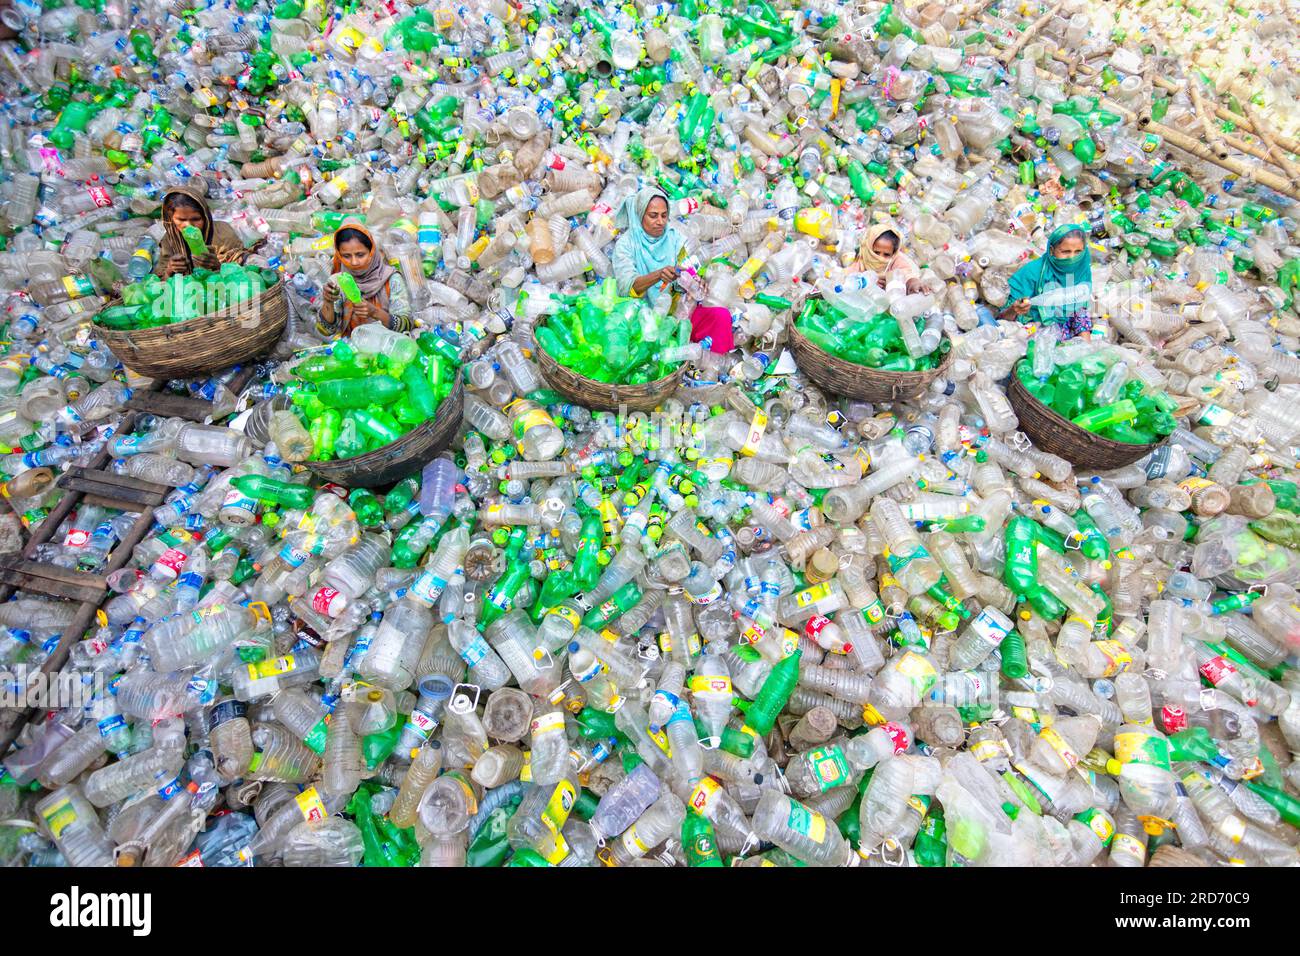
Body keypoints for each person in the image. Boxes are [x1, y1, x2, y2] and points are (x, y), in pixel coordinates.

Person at [613, 186, 733, 352]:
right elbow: (625, 287)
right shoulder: (626, 245)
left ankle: (713, 368)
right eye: (653, 216)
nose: (660, 221)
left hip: (676, 312)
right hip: (642, 317)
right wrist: (658, 275)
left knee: (720, 317)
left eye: (664, 215)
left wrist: (695, 282)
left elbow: (685, 271)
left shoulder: (674, 238)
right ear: (640, 215)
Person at [318, 220, 413, 336]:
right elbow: (327, 331)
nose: (354, 262)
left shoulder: (391, 279)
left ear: (371, 251)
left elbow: (407, 324)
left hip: (388, 348)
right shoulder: (337, 282)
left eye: (360, 255)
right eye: (346, 256)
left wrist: (375, 312)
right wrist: (328, 302)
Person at [1000, 223, 1093, 338]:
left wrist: (1086, 346)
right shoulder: (1033, 271)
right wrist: (1015, 309)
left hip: (1066, 327)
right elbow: (1003, 318)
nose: (1072, 258)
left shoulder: (1081, 268)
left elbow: (1080, 307)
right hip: (1035, 330)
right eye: (1065, 252)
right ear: (1051, 250)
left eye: (1078, 252)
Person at [157, 187, 250, 278]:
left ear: (206, 217)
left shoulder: (224, 234)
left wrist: (218, 266)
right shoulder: (169, 240)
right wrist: (170, 270)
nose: (189, 225)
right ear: (170, 219)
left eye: (196, 219)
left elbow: (243, 274)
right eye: (181, 219)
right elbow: (160, 283)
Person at [857, 223, 922, 293]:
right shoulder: (863, 257)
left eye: (886, 254)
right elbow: (848, 277)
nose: (881, 258)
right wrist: (867, 282)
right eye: (876, 252)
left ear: (893, 253)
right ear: (869, 248)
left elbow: (906, 273)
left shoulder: (896, 259)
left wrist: (912, 281)